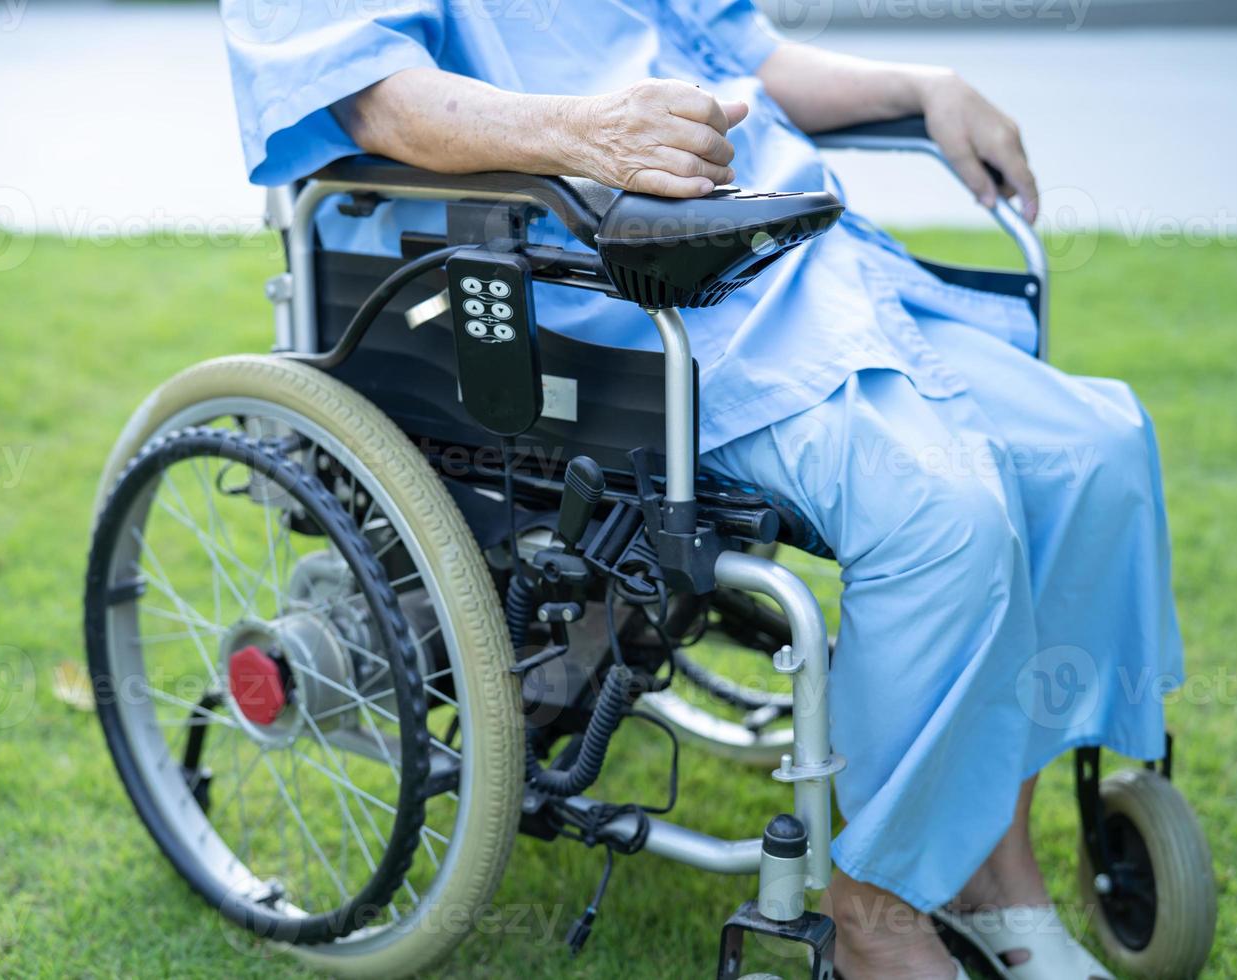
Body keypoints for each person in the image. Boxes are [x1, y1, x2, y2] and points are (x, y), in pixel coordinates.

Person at [223, 3, 1181, 977]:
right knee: (944, 514)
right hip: (590, 296)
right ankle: (877, 918)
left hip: (801, 261)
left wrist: (922, 87)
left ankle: (993, 871)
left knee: (1093, 452)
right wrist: (586, 130)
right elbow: (379, 104)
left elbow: (745, 57)